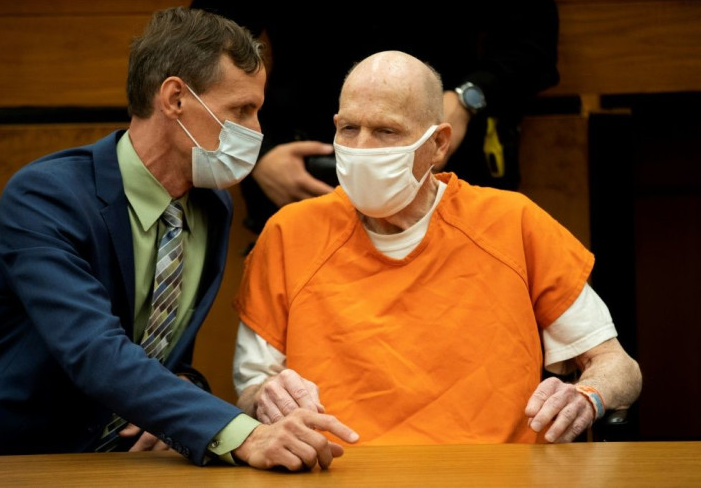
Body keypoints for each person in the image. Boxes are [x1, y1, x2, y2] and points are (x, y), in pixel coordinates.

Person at [0, 7, 358, 469]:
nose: (256, 132)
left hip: (128, 464)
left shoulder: (213, 204)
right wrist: (245, 435)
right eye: (241, 110)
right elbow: (95, 352)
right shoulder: (46, 197)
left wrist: (187, 393)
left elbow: (163, 352)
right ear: (174, 99)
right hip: (11, 460)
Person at [231, 50, 642, 445]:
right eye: (349, 129)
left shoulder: (510, 223)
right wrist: (265, 395)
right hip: (335, 472)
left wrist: (587, 396)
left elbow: (618, 367)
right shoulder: (289, 232)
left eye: (386, 131)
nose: (361, 150)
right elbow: (251, 390)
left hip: (496, 475)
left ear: (439, 144)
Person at [191, 0, 560, 235]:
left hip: (444, 172)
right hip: (302, 175)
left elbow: (534, 44)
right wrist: (258, 154)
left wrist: (467, 98)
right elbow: (208, 44)